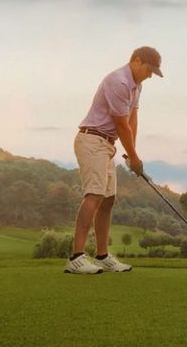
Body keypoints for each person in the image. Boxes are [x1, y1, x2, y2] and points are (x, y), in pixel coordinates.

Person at [64, 46, 163, 274]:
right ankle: (76, 258)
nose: (150, 75)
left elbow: (132, 119)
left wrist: (131, 153)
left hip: (107, 145)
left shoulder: (136, 86)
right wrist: (135, 158)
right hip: (92, 140)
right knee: (94, 195)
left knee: (108, 200)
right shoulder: (118, 82)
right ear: (136, 60)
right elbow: (120, 124)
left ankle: (102, 256)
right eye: (149, 70)